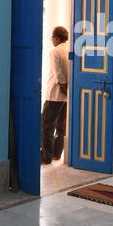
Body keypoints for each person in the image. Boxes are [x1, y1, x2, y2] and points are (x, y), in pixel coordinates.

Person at [42, 26, 70, 164]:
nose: (51, 40)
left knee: (47, 126)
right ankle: (57, 154)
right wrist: (67, 89)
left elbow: (57, 73)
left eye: (52, 37)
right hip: (66, 96)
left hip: (54, 94)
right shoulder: (70, 50)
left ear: (57, 38)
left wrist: (63, 86)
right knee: (61, 126)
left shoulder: (55, 52)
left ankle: (46, 156)